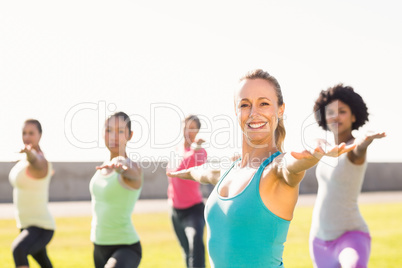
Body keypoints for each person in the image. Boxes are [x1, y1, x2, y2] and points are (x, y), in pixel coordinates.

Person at [167, 69, 356, 268]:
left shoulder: (276, 170)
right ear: (236, 110)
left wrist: (314, 153)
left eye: (264, 103)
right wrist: (184, 172)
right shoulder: (229, 171)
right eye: (245, 105)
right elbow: (203, 172)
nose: (253, 113)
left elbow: (292, 165)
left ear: (280, 110)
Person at [310, 84, 386, 268]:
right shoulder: (326, 150)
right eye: (330, 112)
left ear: (353, 116)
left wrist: (364, 142)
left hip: (350, 237)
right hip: (319, 241)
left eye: (342, 111)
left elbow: (358, 150)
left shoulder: (354, 149)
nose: (335, 116)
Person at [89, 112, 143, 268]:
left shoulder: (131, 166)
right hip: (98, 245)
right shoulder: (102, 167)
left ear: (130, 135)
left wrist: (121, 168)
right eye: (108, 130)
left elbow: (132, 173)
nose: (113, 136)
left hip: (125, 247)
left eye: (120, 131)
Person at [9, 119, 55, 268]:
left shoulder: (41, 161)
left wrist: (30, 154)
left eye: (31, 133)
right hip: (25, 224)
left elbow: (36, 161)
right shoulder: (23, 159)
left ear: (40, 135)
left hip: (40, 226)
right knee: (44, 262)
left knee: (19, 250)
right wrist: (25, 157)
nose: (27, 137)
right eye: (24, 133)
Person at [166, 115, 208, 268]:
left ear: (197, 131)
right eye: (186, 127)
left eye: (192, 128)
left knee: (196, 249)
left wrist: (195, 150)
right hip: (175, 211)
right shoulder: (176, 150)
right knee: (186, 251)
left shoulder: (200, 152)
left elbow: (189, 165)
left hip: (193, 211)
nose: (188, 131)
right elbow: (173, 172)